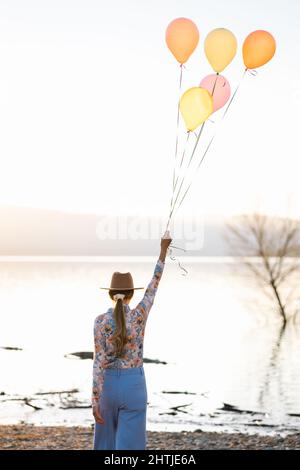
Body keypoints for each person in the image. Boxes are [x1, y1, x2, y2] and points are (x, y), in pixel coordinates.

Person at [92, 232, 172, 450]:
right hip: (134, 386)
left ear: (111, 294)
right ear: (130, 294)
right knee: (130, 450)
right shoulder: (139, 316)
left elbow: (98, 363)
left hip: (107, 387)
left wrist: (95, 399)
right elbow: (153, 285)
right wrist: (163, 251)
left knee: (105, 447)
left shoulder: (100, 322)